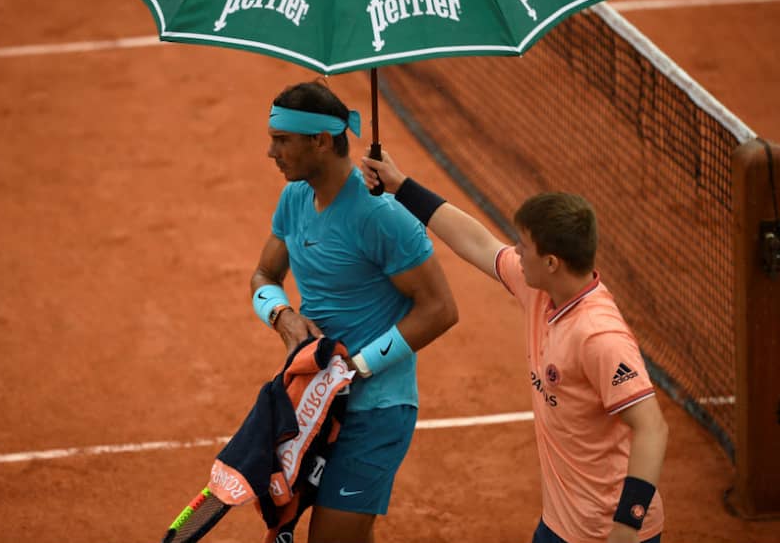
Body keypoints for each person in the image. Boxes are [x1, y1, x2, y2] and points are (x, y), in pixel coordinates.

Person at [360, 151, 669, 543]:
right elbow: (478, 242)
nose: (516, 252)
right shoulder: (541, 290)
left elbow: (653, 428)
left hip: (605, 531)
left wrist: (627, 525)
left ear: (552, 262)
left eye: (524, 247)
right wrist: (401, 186)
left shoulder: (599, 337)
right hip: (561, 523)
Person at [250, 80, 459, 543]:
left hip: (377, 408)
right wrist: (283, 316)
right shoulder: (295, 198)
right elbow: (264, 275)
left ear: (320, 142)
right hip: (314, 401)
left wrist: (358, 366)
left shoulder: (382, 216)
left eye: (282, 140)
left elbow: (440, 309)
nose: (271, 152)